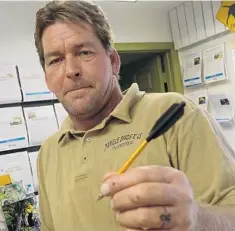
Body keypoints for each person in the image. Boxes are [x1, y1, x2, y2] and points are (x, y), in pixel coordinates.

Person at [34, 1, 235, 230]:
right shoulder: (47, 154)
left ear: (113, 61)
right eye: (56, 60)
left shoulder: (176, 116)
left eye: (84, 52)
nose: (71, 70)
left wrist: (197, 218)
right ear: (47, 78)